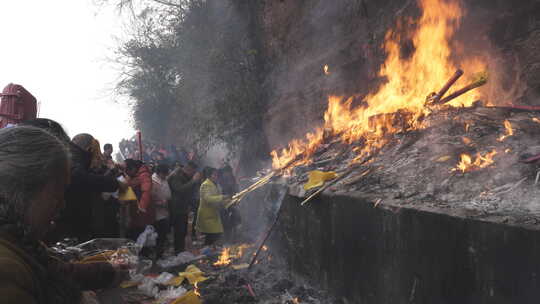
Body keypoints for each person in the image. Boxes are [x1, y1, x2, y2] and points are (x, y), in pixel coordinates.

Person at [0, 126, 126, 304]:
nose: (62, 204)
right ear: (23, 189)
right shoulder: (6, 270)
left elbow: (55, 270)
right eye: (57, 193)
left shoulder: (21, 240)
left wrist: (109, 271)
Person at [61, 133, 123, 241]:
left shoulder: (73, 155)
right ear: (89, 149)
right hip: (72, 217)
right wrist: (114, 183)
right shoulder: (74, 158)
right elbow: (80, 177)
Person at [168, 161, 202, 253]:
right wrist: (193, 181)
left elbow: (191, 191)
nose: (193, 174)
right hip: (176, 208)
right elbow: (180, 190)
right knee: (179, 231)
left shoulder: (187, 177)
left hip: (184, 208)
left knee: (183, 231)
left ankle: (181, 250)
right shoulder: (176, 176)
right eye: (192, 172)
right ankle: (178, 251)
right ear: (188, 169)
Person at [196, 167, 230, 246]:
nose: (217, 176)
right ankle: (208, 253)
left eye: (217, 175)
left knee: (214, 235)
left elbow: (216, 198)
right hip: (207, 215)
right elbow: (208, 198)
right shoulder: (206, 185)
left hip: (213, 214)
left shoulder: (214, 184)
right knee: (212, 236)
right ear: (210, 176)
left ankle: (210, 251)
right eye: (215, 175)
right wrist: (222, 197)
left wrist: (227, 201)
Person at [124, 159, 153, 241]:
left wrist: (142, 207)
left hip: (141, 212)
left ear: (133, 169)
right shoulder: (133, 176)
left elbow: (146, 191)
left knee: (140, 235)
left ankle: (141, 253)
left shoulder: (144, 175)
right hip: (133, 211)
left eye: (127, 171)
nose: (127, 174)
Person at [152, 164, 172, 258]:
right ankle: (158, 255)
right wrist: (160, 203)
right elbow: (151, 199)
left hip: (164, 212)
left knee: (163, 235)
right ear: (159, 173)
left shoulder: (163, 180)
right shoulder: (153, 181)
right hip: (157, 214)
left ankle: (161, 253)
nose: (166, 176)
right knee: (159, 235)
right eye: (164, 174)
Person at [218, 165, 241, 241]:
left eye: (229, 172)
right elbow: (221, 192)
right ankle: (226, 239)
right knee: (225, 223)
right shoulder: (221, 180)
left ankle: (234, 238)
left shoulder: (232, 178)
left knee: (234, 221)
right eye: (227, 172)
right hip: (224, 205)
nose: (228, 174)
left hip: (232, 203)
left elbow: (236, 190)